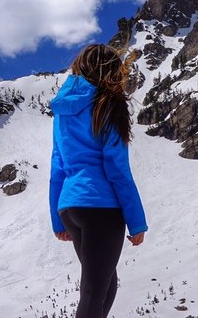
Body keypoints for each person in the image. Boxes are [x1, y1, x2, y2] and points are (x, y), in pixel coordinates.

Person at [49, 43, 148, 318]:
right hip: (101, 208)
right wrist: (136, 221)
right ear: (111, 72)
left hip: (71, 208)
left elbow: (57, 167)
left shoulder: (62, 110)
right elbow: (117, 169)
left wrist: (58, 220)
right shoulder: (108, 104)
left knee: (106, 285)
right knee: (94, 292)